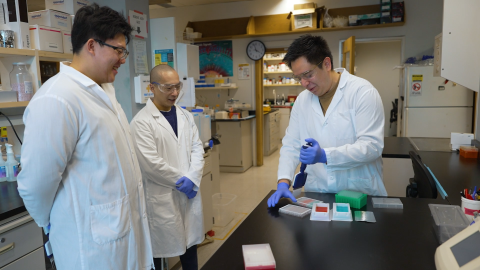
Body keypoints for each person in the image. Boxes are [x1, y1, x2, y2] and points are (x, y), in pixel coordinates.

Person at [17, 4, 154, 269]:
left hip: (123, 241)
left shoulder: (105, 93)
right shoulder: (57, 99)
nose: (124, 59)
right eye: (119, 50)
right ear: (92, 46)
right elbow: (35, 186)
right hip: (92, 252)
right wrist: (61, 219)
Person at [268, 34, 387, 207]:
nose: (303, 83)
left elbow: (371, 146)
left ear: (326, 64)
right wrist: (283, 182)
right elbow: (291, 144)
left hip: (360, 195)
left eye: (308, 74)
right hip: (318, 194)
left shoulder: (362, 92)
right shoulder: (302, 101)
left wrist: (325, 155)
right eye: (298, 77)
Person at [130, 64, 205, 270]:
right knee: (158, 253)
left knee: (190, 247)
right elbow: (151, 164)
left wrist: (194, 177)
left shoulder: (185, 116)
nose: (174, 93)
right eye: (168, 88)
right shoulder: (141, 122)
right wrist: (184, 179)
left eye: (177, 87)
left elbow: (197, 148)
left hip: (188, 193)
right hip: (162, 197)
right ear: (151, 88)